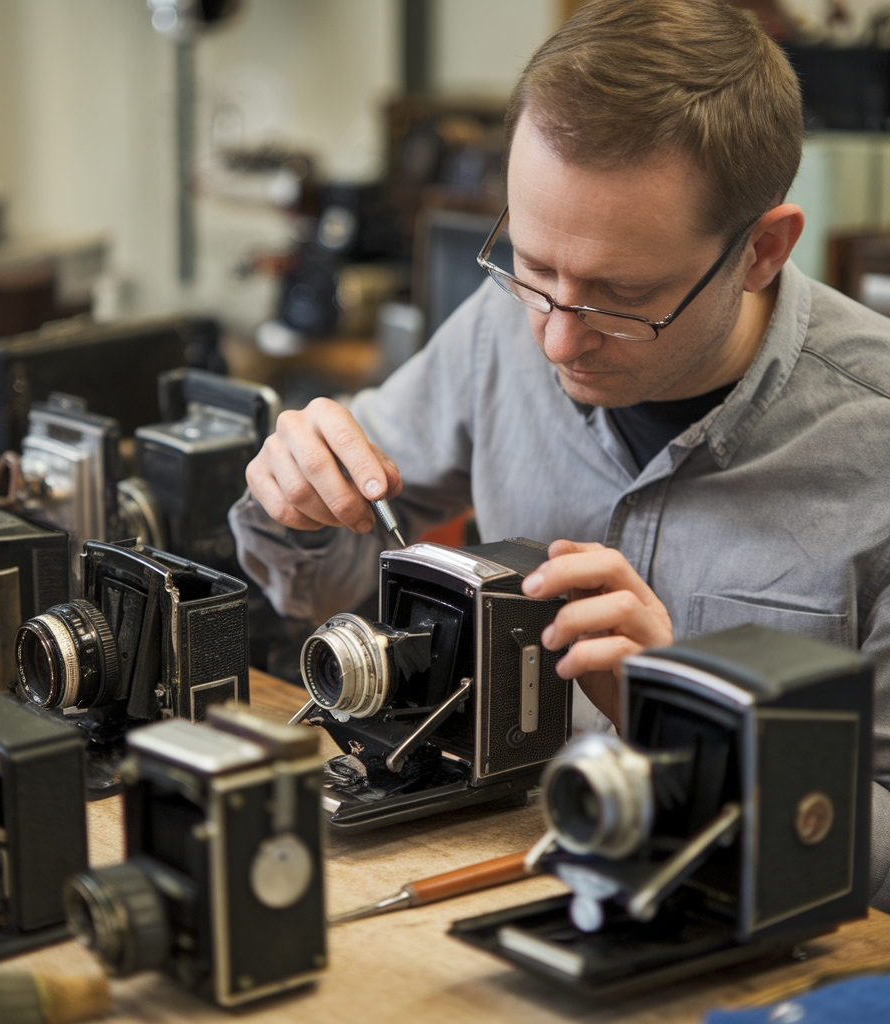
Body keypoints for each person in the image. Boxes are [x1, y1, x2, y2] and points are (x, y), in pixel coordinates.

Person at [229, 0, 890, 906]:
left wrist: (685, 720)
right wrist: (295, 500)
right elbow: (328, 578)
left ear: (762, 251)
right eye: (533, 267)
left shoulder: (877, 448)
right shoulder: (502, 332)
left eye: (623, 297)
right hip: (492, 885)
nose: (555, 342)